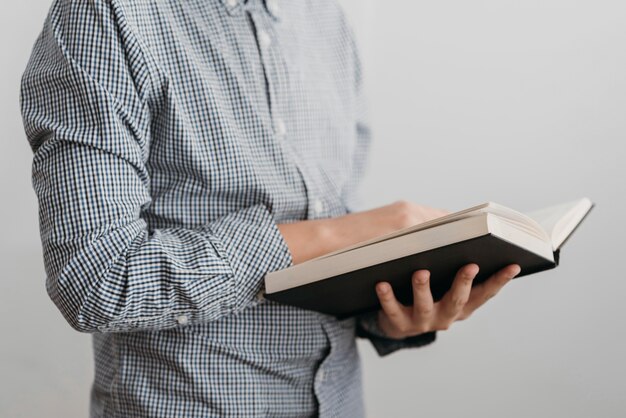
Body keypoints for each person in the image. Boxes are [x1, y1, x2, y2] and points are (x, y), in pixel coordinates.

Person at [20, 0, 520, 416]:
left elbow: (336, 224)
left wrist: (391, 312)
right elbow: (94, 280)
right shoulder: (106, 16)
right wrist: (330, 235)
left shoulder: (323, 16)